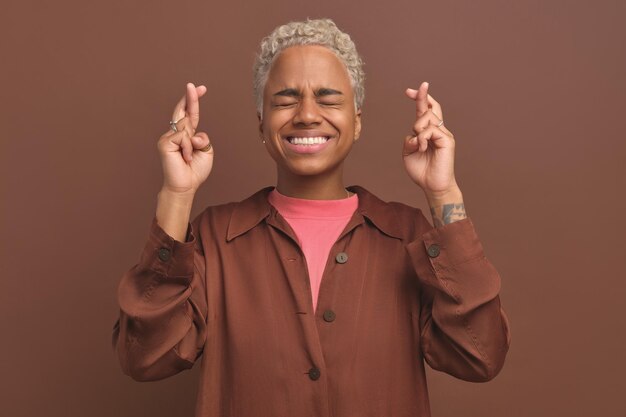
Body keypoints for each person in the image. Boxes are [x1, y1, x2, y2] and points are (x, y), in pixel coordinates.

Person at [113, 18, 510, 417]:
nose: (306, 115)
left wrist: (443, 193)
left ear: (356, 121)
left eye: (328, 98)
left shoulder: (408, 235)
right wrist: (176, 195)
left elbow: (480, 355)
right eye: (285, 100)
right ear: (261, 123)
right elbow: (145, 357)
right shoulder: (215, 237)